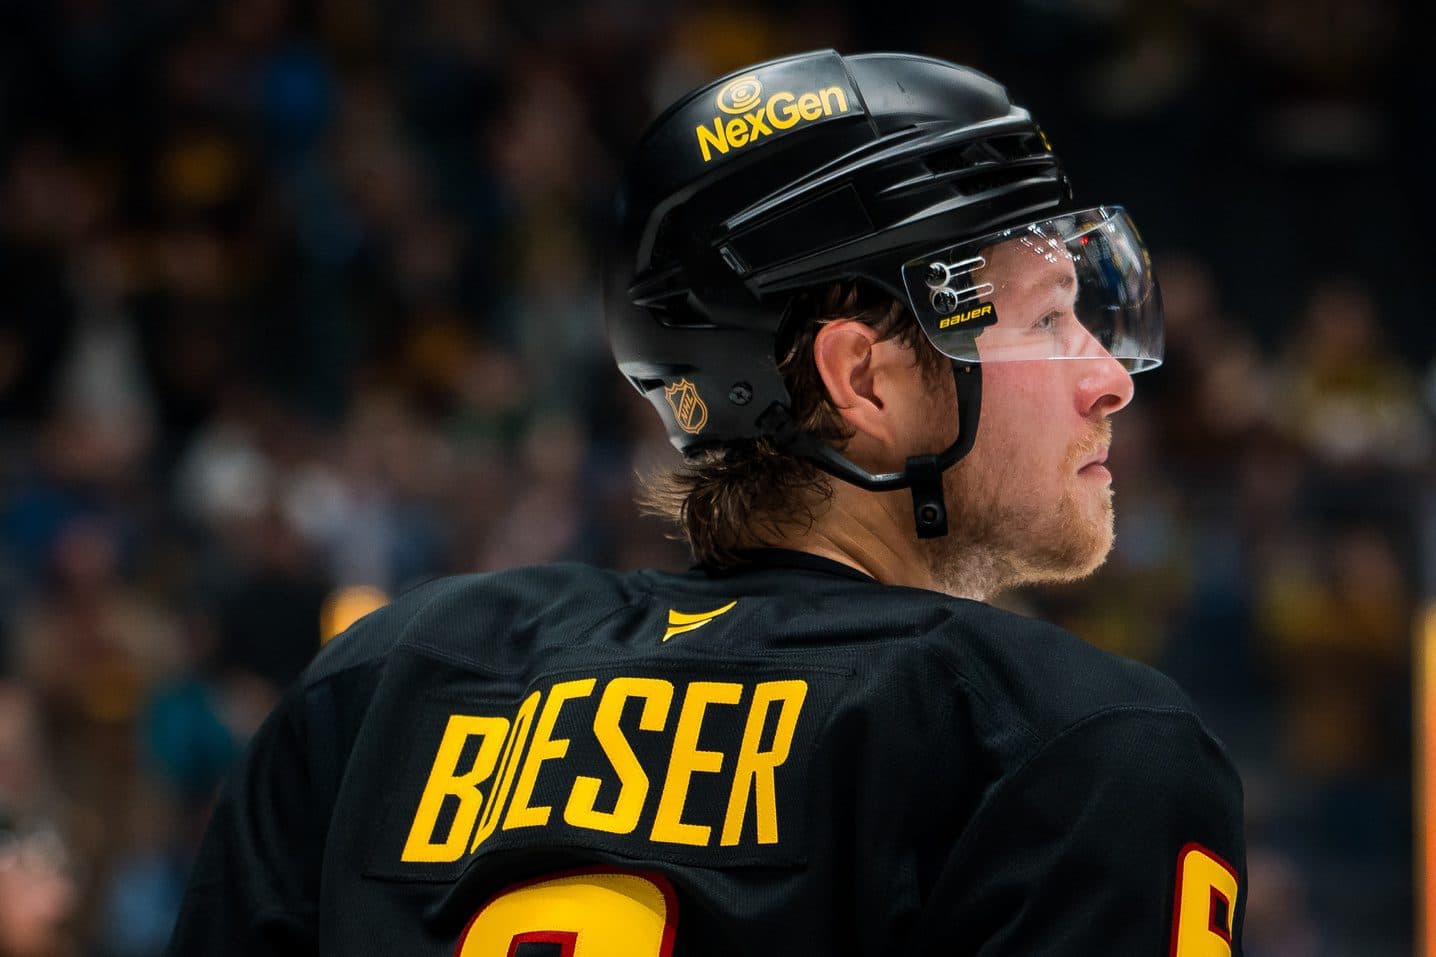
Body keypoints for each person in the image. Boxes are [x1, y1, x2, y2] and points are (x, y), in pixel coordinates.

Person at [166, 50, 1246, 955]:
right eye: (1048, 318)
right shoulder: (1073, 746)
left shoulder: (382, 684)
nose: (1104, 377)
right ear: (861, 380)